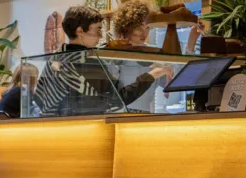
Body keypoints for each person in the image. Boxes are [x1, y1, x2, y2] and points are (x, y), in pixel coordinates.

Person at [34, 6, 172, 116]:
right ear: (80, 31)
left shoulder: (57, 57)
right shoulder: (88, 62)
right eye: (98, 30)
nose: (100, 37)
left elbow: (40, 99)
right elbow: (120, 98)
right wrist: (152, 75)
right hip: (89, 130)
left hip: (62, 129)